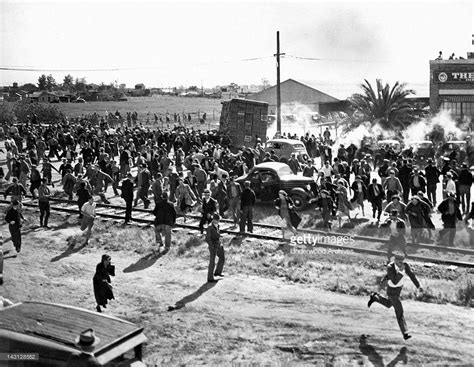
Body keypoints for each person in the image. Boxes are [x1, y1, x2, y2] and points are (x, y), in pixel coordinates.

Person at [367, 253, 423, 340]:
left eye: (402, 262)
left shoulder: (405, 266)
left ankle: (375, 297)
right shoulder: (390, 267)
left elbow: (412, 275)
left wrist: (419, 286)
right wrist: (400, 271)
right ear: (394, 260)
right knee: (399, 310)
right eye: (398, 262)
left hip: (398, 290)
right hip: (391, 290)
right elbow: (395, 281)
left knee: (389, 304)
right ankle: (405, 332)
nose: (400, 264)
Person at [206, 213, 225, 283]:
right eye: (216, 220)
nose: (217, 221)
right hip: (213, 246)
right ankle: (210, 278)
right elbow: (207, 238)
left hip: (218, 244)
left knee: (222, 258)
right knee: (212, 262)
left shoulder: (217, 226)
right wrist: (212, 245)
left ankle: (218, 272)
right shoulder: (210, 227)